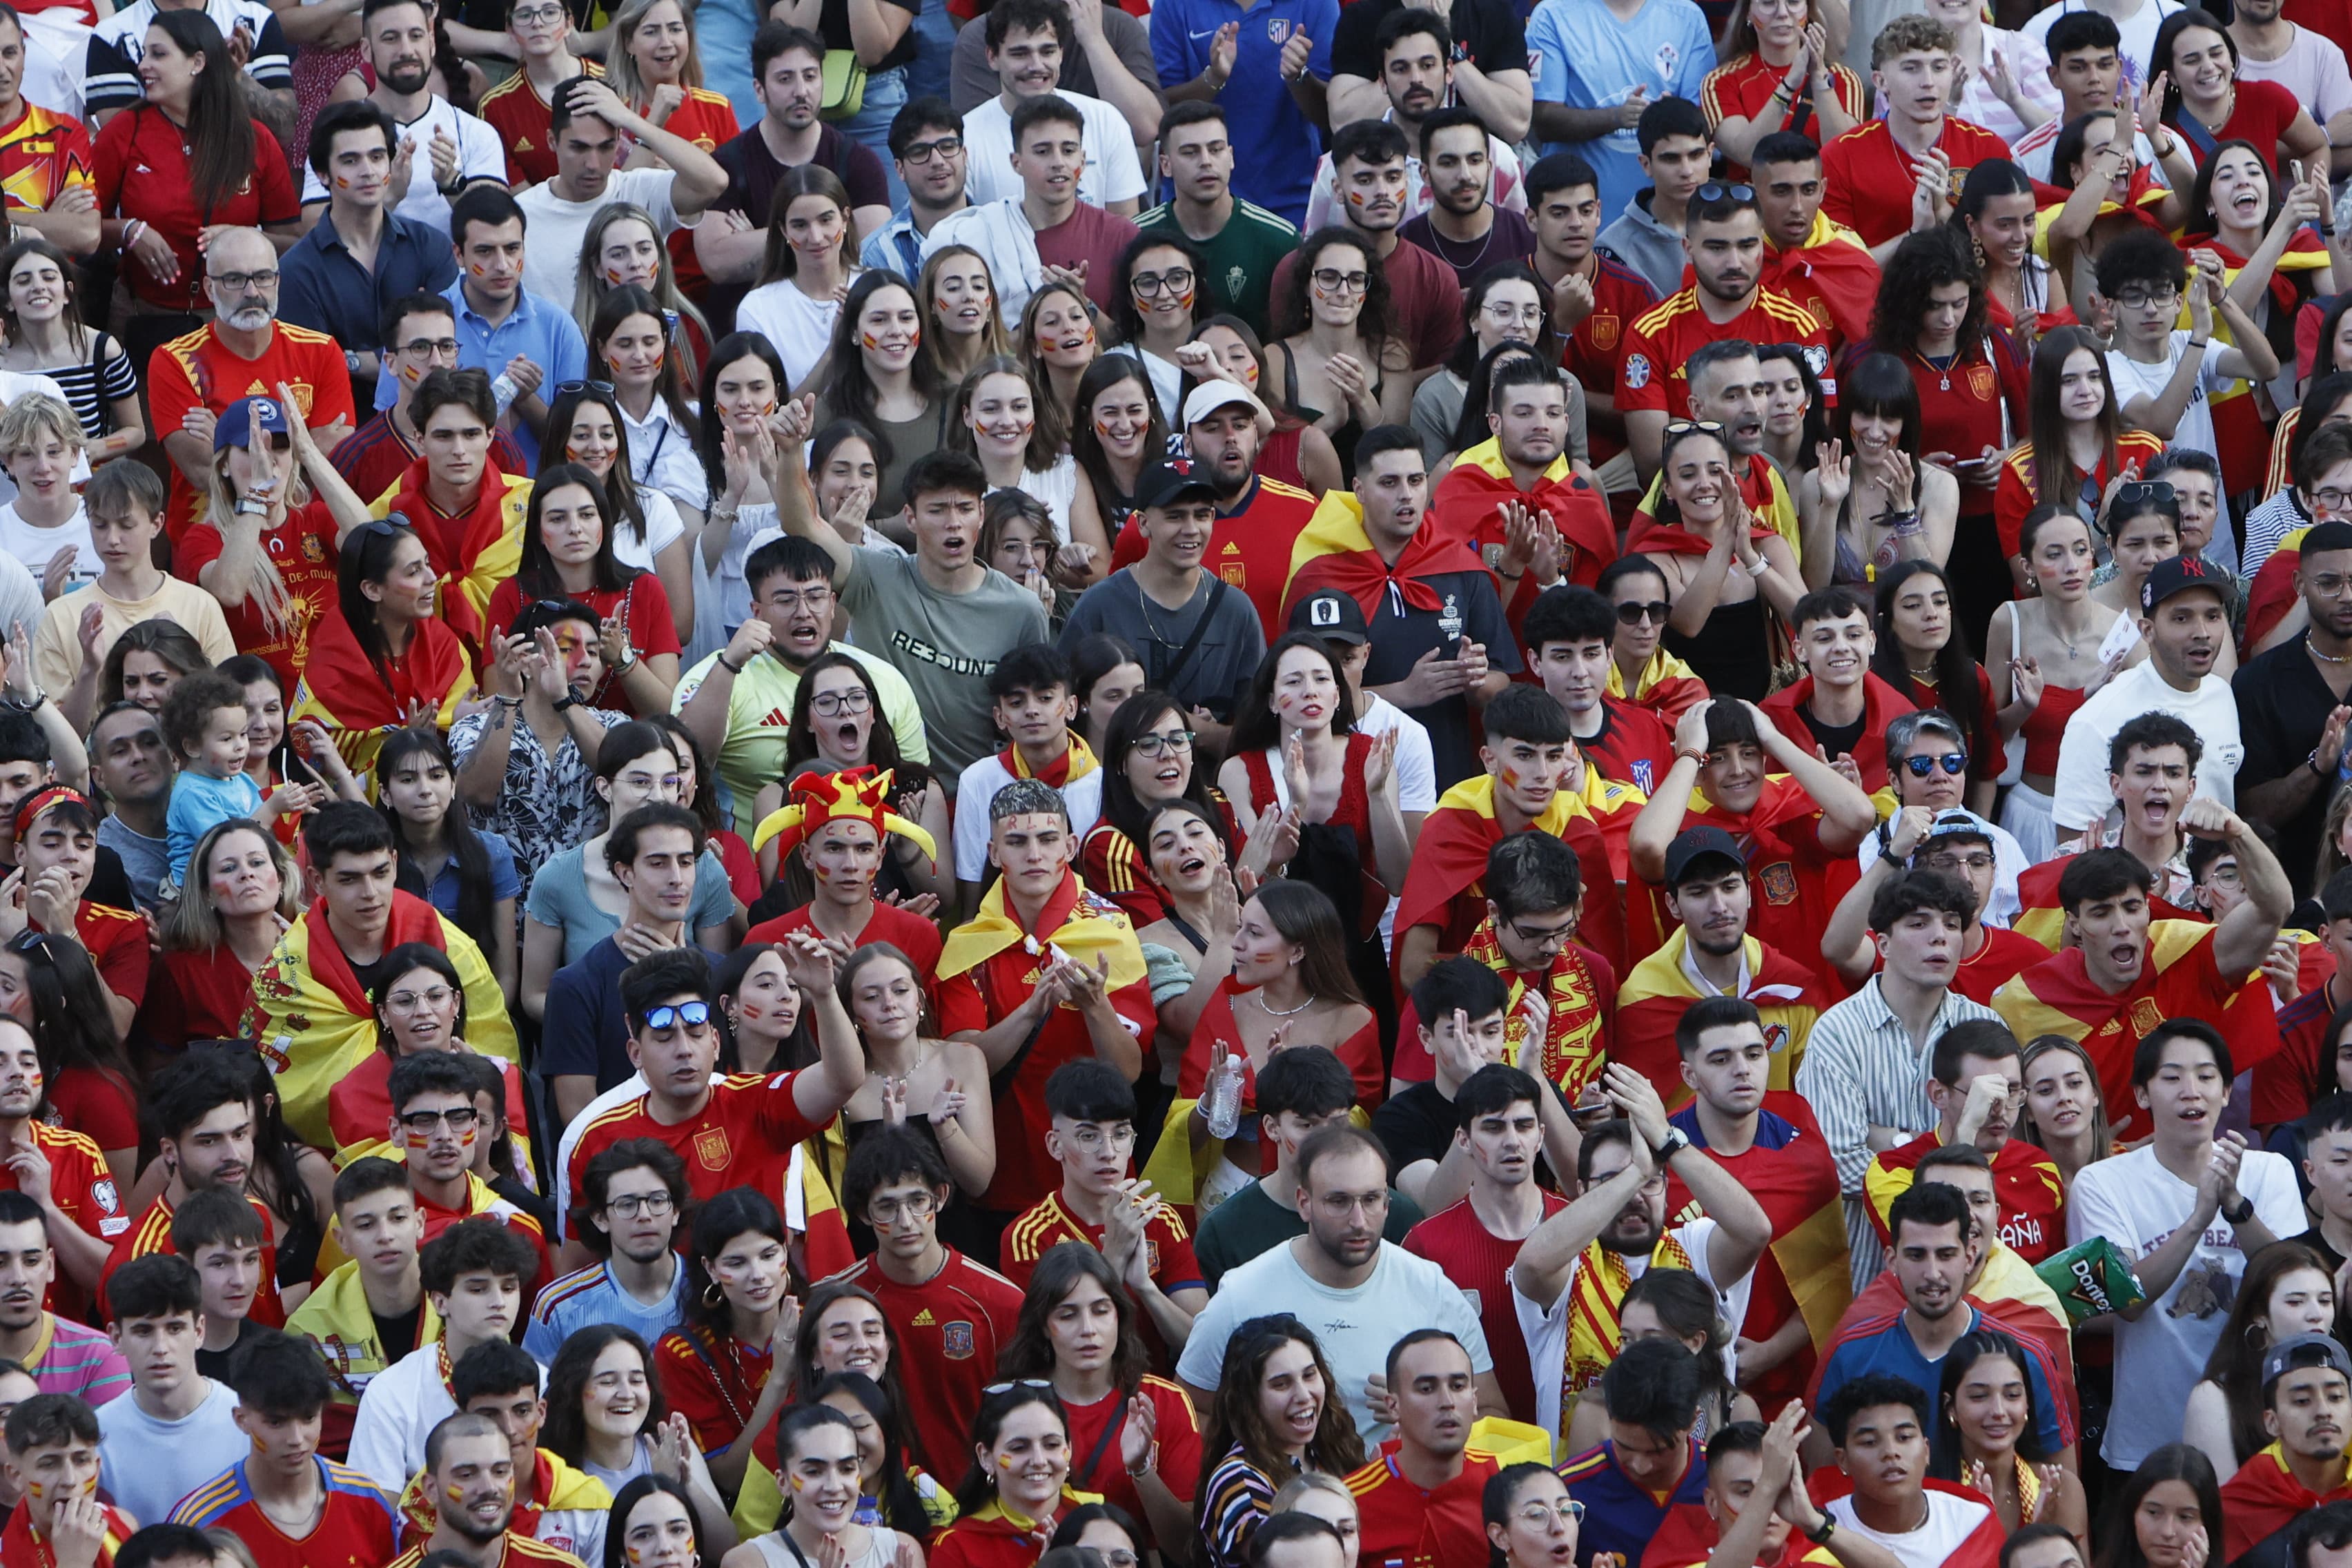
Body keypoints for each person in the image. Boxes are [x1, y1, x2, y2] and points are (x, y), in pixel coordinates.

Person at [2067, 1020, 2308, 1469]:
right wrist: (2198, 1219)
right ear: (2143, 1094)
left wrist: (2235, 1206)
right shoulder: (2102, 1182)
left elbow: (2293, 1287)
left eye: (2205, 1076)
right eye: (2172, 1077)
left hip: (2262, 1433)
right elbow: (2128, 1303)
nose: (2190, 1091)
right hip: (2147, 1444)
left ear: (2226, 1091)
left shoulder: (2269, 1171)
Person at [1178, 1125, 1498, 1444]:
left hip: (1400, 1491)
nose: (1358, 1220)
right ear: (1304, 1203)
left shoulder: (1432, 1289)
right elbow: (1190, 1413)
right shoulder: (1243, 1293)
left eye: (1371, 1199)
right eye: (1339, 1201)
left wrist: (1425, 1413)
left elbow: (1492, 1412)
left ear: (1388, 1203)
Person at [1513, 1075, 1772, 1430]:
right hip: (1587, 1471)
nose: (1635, 1195)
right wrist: (1636, 1173)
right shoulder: (1567, 1260)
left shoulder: (1694, 1246)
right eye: (1610, 1181)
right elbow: (1531, 1264)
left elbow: (1755, 1231)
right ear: (1582, 1189)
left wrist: (1667, 1140)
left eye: (1652, 1181)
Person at [1659, 996, 1852, 1415]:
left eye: (1754, 1053)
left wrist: (1770, 1352)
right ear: (1690, 1075)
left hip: (1792, 1380)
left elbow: (1831, 1277)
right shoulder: (1658, 1154)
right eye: (1721, 1059)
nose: (1743, 1069)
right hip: (1683, 1385)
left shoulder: (1805, 1149)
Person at [832, 1128, 1024, 1485]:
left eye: (918, 1201)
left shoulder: (1001, 1302)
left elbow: (1026, 1418)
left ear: (940, 1197)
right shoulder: (837, 1303)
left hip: (976, 1503)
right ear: (863, 1214)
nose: (906, 1222)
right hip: (874, 1506)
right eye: (887, 1207)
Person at [1616, 186, 1834, 481]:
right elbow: (1654, 460)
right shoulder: (1650, 333)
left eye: (1747, 246)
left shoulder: (1800, 327)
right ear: (1688, 249)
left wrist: (1691, 424)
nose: (1734, 262)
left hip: (1782, 500)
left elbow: (1812, 448)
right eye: (1717, 248)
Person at [1001, 1064, 1205, 1353]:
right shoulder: (1028, 1236)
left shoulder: (1159, 1218)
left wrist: (1146, 1288)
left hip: (1150, 1389)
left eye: (1120, 1134)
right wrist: (1113, 1260)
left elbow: (1201, 1343)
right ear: (1055, 1145)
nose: (1108, 1152)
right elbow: (1042, 1347)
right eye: (1089, 1136)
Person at [166, 1328, 402, 1568]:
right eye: (277, 1422)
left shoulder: (366, 1502)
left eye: (308, 1418)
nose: (296, 1438)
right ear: (241, 1419)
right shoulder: (199, 1524)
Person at [342, 1219, 537, 1492]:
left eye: (508, 1288)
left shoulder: (543, 1383)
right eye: (478, 1289)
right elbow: (374, 1510)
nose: (499, 1302)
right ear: (440, 1302)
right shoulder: (391, 1393)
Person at [93, 1256, 242, 1526]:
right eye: (143, 1331)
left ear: (199, 1331)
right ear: (116, 1338)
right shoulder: (96, 1436)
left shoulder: (244, 1425)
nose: (160, 1347)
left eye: (175, 1328)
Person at [1135, 104, 1297, 340]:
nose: (1206, 162)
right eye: (1190, 152)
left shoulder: (1278, 240)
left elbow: (1295, 336)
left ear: (1231, 157)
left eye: (1216, 149)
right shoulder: (1136, 235)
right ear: (1165, 165)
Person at [1814, 1375, 2006, 1568]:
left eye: (1904, 1437)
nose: (1890, 1452)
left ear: (1926, 1451)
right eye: (1869, 1442)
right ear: (1842, 1460)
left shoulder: (1973, 1525)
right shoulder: (1815, 1532)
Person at [1597, 99, 1714, 300]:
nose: (1686, 171)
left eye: (1696, 155)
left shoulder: (1745, 224)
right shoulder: (1614, 248)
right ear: (1646, 164)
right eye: (1671, 159)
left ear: (1710, 155)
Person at [0, 1394, 135, 1566]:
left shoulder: (124, 1524)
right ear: (16, 1476)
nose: (69, 1480)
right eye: (49, 1464)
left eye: (81, 1460)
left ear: (97, 1466)